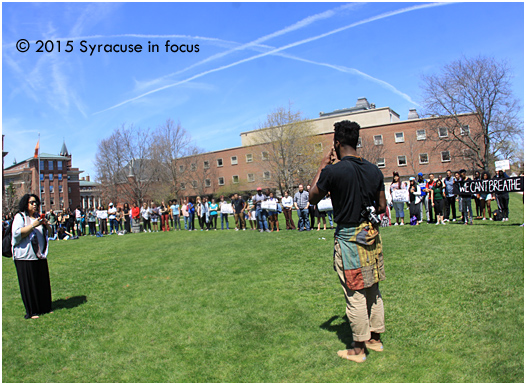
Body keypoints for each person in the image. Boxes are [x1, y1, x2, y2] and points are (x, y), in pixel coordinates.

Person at [308, 120, 386, 363]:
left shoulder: (333, 171)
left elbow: (312, 197)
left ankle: (358, 348)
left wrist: (322, 165)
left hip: (349, 239)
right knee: (372, 287)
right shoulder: (374, 170)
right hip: (371, 236)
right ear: (357, 141)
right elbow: (382, 206)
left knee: (355, 293)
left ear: (337, 143)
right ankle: (375, 339)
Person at [11, 194, 53, 319]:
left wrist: (46, 225)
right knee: (30, 284)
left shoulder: (37, 217)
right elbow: (17, 234)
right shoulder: (20, 217)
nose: (35, 205)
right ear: (26, 204)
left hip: (39, 256)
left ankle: (45, 307)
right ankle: (32, 311)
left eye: (36, 202)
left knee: (42, 283)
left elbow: (49, 234)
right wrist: (33, 225)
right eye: (32, 202)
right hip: (25, 257)